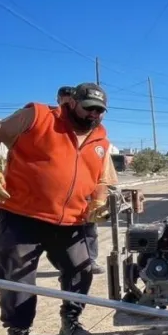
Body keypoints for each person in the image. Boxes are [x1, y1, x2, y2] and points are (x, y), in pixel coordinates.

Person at [0, 83, 117, 335]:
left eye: (99, 111)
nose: (93, 115)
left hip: (71, 220)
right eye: (88, 108)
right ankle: (18, 333)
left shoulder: (100, 137)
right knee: (18, 278)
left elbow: (103, 178)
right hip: (21, 216)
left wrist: (98, 202)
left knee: (81, 270)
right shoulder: (37, 116)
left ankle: (70, 321)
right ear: (72, 103)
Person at [57, 86, 105, 275]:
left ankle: (90, 260)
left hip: (83, 194)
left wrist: (98, 198)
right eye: (64, 99)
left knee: (88, 228)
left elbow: (101, 169)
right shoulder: (53, 124)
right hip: (56, 200)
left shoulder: (92, 130)